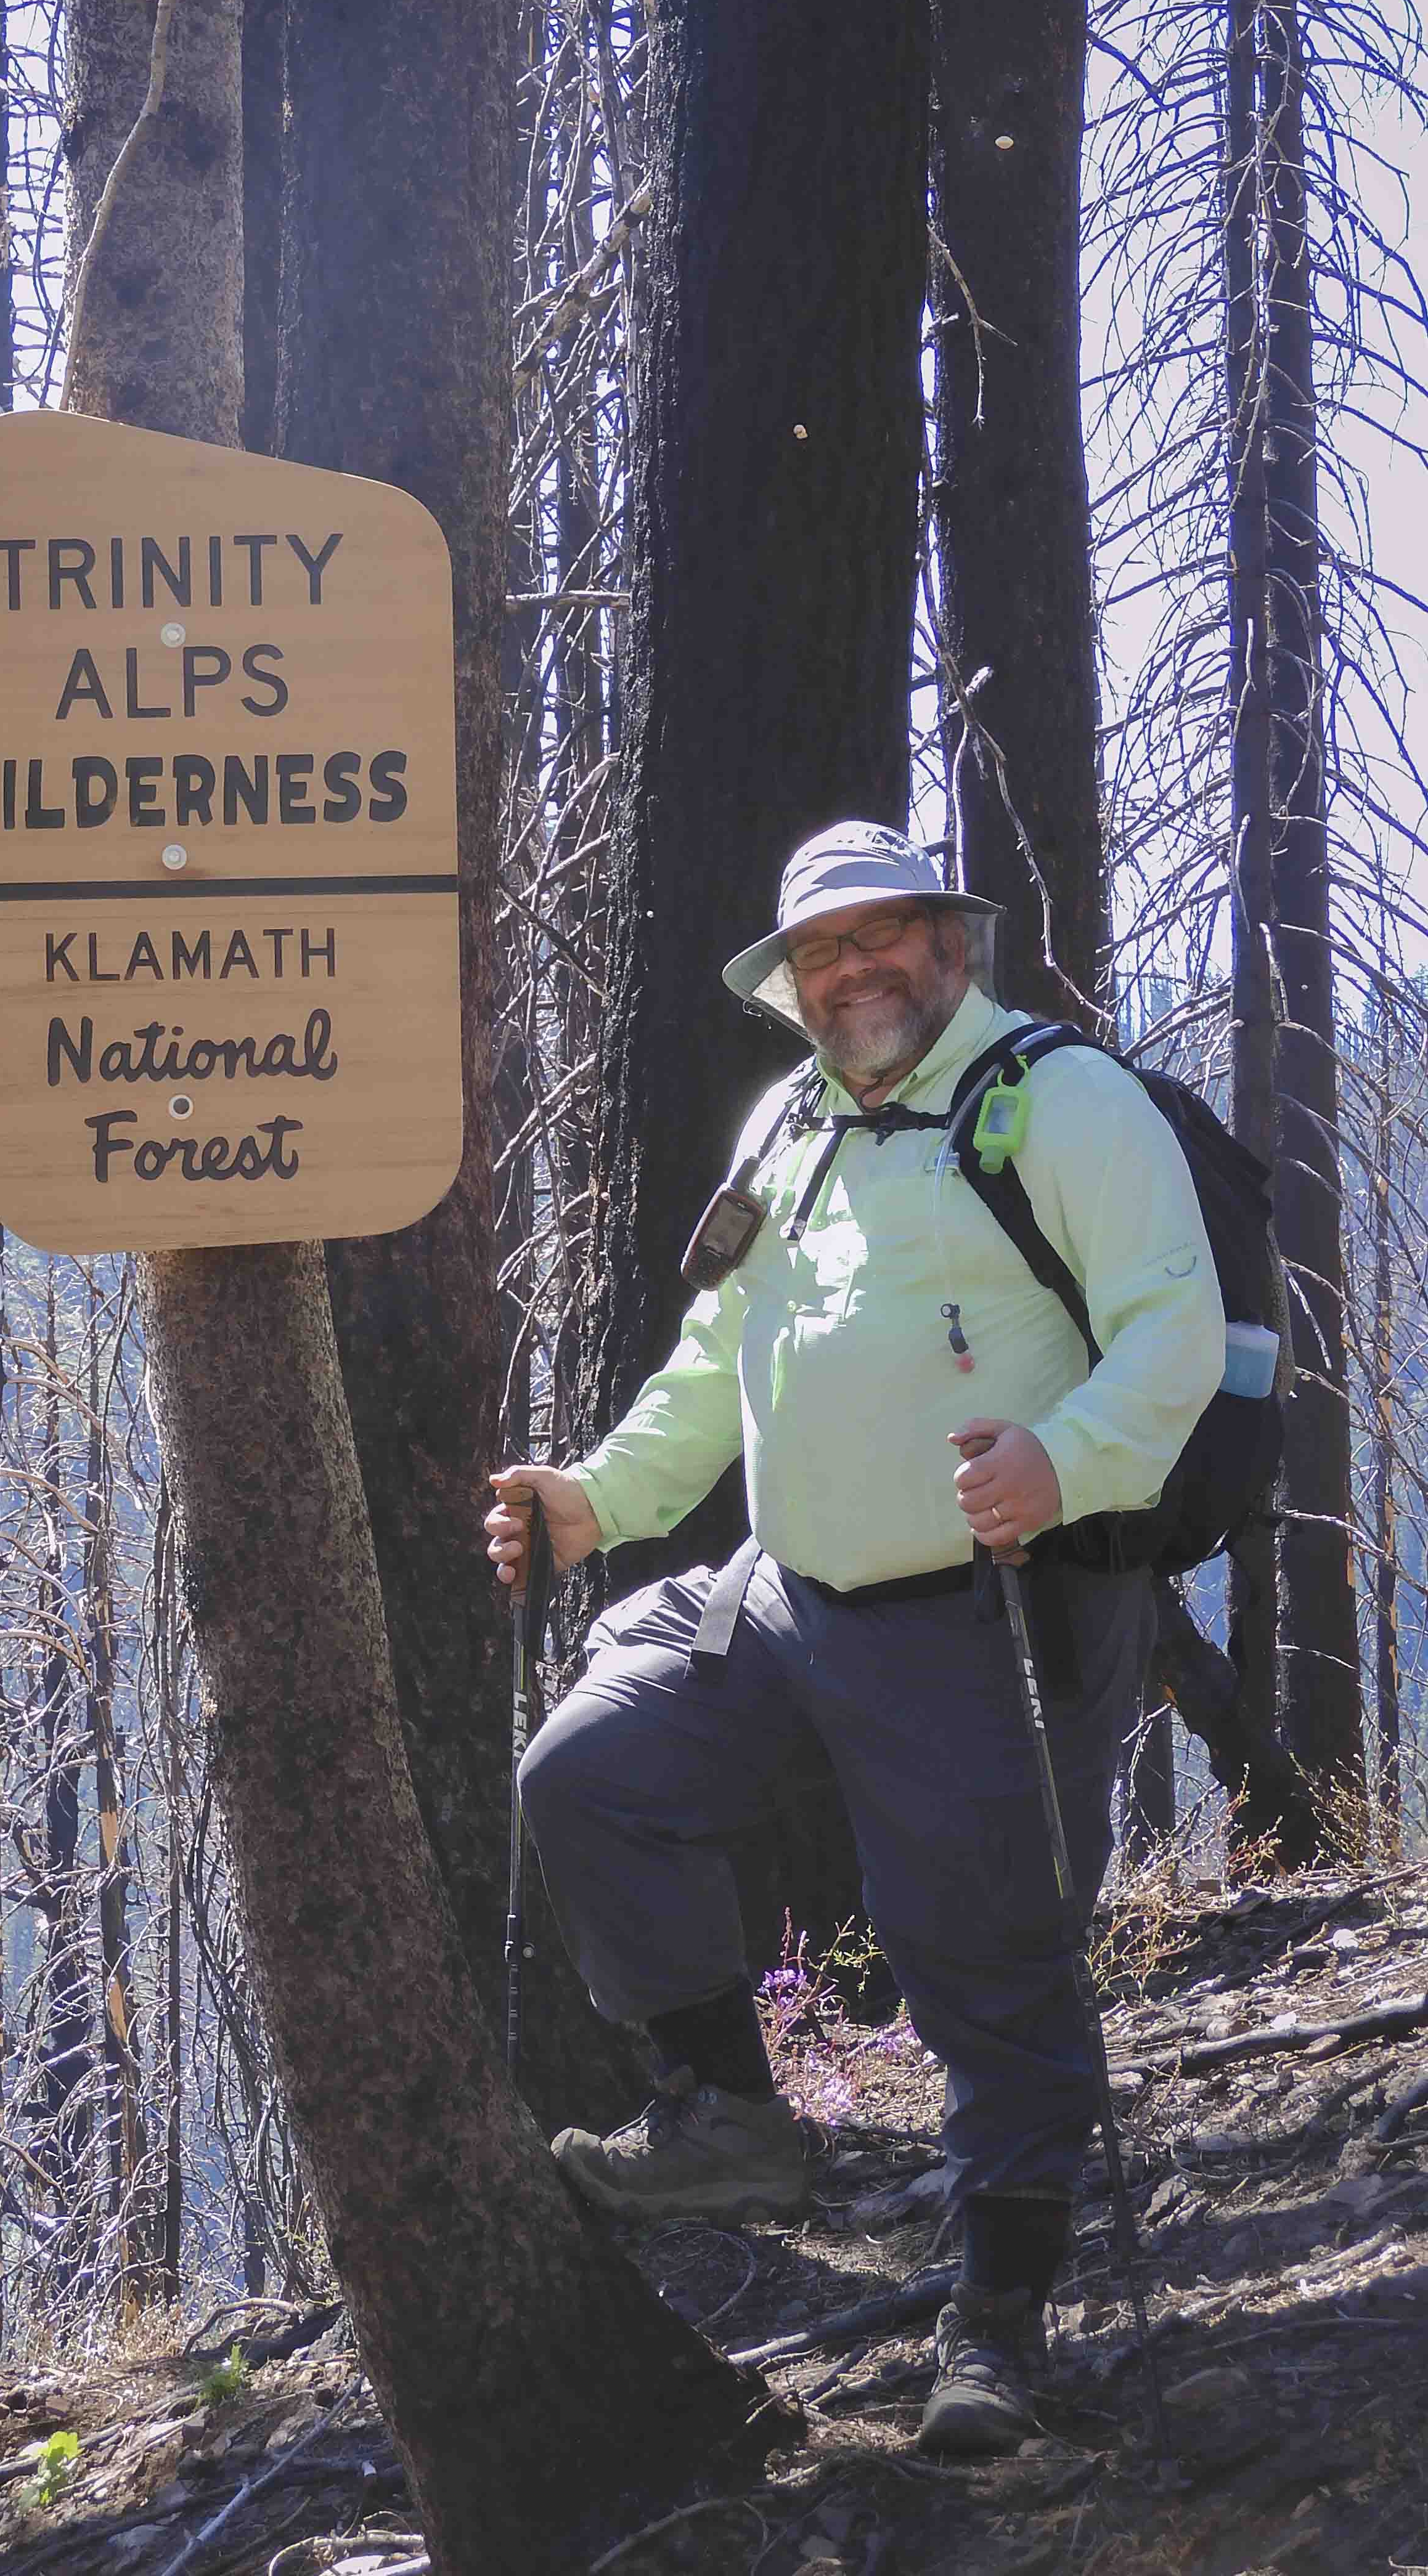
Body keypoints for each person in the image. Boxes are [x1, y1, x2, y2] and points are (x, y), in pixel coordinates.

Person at [484, 821, 1224, 2456]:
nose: (855, 970)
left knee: (991, 1974)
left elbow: (1172, 1332)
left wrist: (1066, 1460)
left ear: (950, 946)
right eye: (823, 950)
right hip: (783, 1593)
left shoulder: (1065, 1102)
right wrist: (602, 1499)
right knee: (594, 1777)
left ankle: (1000, 2327)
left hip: (985, 1616)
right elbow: (717, 1357)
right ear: (793, 984)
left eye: (883, 935)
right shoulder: (788, 1124)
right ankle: (729, 2123)